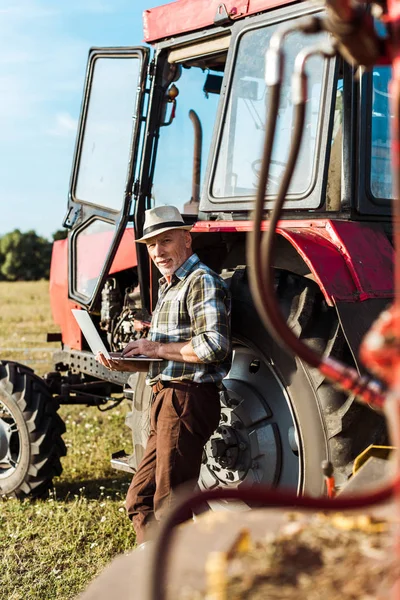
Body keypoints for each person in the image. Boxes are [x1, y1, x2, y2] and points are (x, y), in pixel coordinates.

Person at [97, 205, 231, 545]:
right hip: (164, 397)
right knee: (139, 500)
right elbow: (171, 355)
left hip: (187, 399)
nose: (157, 251)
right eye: (151, 245)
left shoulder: (202, 282)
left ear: (186, 239)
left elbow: (214, 345)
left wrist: (155, 349)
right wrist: (130, 362)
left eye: (166, 241)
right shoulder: (168, 288)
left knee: (171, 506)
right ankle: (155, 571)